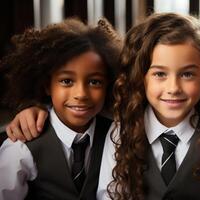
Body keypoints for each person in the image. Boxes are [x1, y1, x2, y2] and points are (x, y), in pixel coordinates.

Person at [5, 13, 200, 200]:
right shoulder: (121, 129)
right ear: (141, 77)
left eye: (188, 75)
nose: (173, 88)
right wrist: (34, 107)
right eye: (160, 74)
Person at [0, 18, 122, 199]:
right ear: (47, 85)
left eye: (94, 82)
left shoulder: (116, 135)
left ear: (109, 85)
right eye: (67, 81)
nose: (81, 94)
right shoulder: (22, 143)